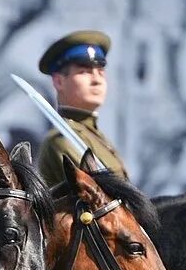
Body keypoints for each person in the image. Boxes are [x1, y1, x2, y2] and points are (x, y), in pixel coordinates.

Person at [35, 30, 130, 187]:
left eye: (100, 72)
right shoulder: (63, 139)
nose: (97, 80)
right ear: (59, 82)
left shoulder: (96, 138)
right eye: (84, 72)